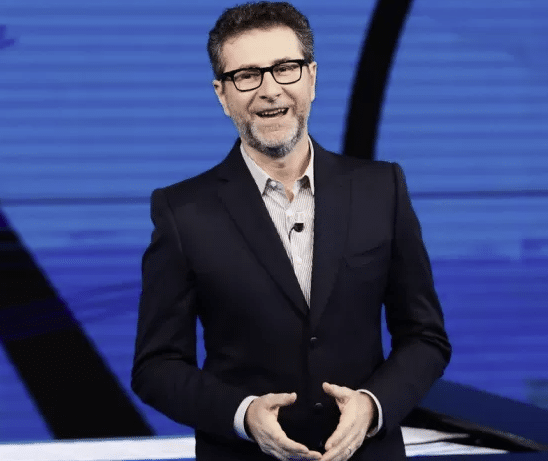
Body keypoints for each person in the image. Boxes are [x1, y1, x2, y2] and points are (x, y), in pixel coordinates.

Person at [131, 2, 451, 460]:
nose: (269, 90)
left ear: (312, 78)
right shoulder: (182, 212)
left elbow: (425, 337)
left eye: (285, 68)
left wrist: (372, 406)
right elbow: (156, 367)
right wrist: (243, 415)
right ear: (222, 94)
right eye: (247, 75)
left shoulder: (383, 189)